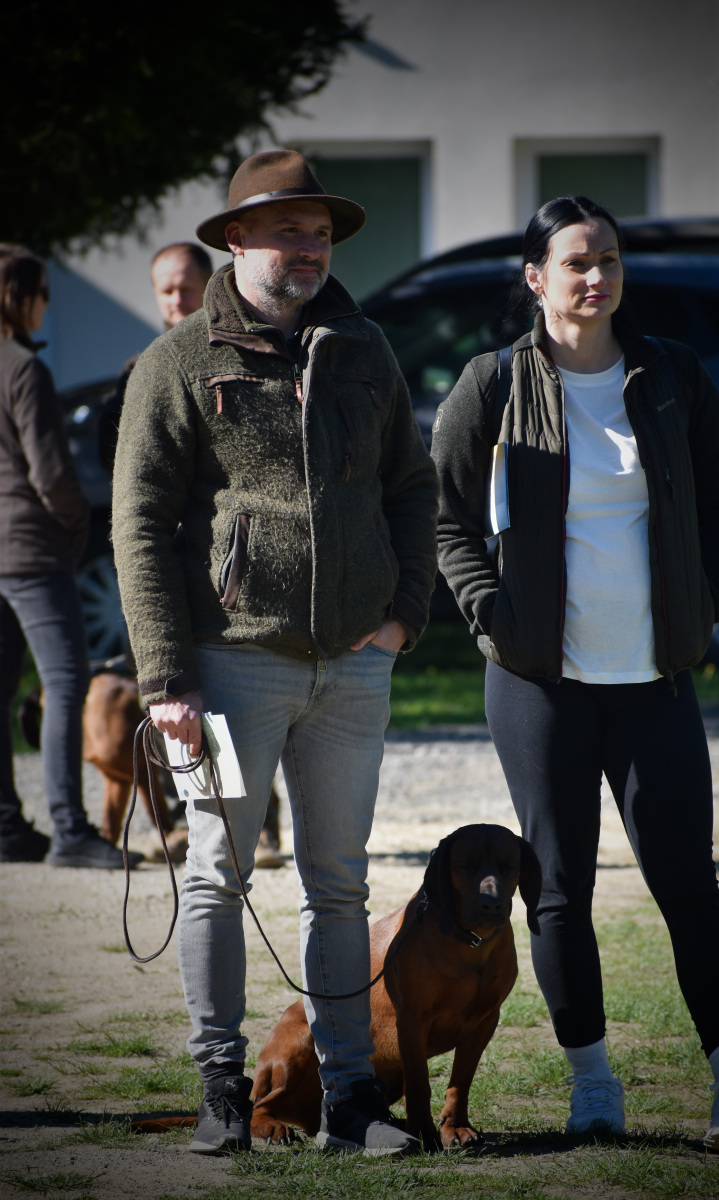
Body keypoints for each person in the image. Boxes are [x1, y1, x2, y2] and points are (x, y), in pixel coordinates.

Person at [112, 149, 439, 1156]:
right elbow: (139, 525)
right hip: (223, 671)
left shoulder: (365, 349)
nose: (309, 248)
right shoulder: (177, 362)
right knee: (217, 874)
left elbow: (411, 487)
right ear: (236, 238)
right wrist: (165, 680)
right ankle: (222, 1087)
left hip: (353, 668)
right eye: (288, 229)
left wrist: (402, 617)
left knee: (338, 885)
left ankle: (349, 1098)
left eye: (321, 233)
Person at [431, 196, 719, 1156]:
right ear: (536, 278)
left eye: (609, 259)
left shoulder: (672, 374)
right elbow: (446, 517)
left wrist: (706, 598)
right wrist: (490, 612)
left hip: (655, 680)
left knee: (688, 884)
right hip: (539, 683)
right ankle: (593, 1088)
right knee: (557, 891)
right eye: (577, 262)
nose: (597, 277)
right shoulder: (493, 383)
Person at [0, 244, 133, 868]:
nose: (46, 307)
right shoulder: (24, 370)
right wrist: (76, 525)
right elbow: (51, 475)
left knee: (3, 688)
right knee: (64, 681)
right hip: (30, 549)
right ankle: (70, 830)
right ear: (21, 298)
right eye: (42, 294)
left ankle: (7, 826)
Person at [97, 243, 214, 475]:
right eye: (167, 292)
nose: (177, 301)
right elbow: (111, 450)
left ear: (208, 286)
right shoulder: (138, 369)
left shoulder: (234, 356)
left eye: (186, 289)